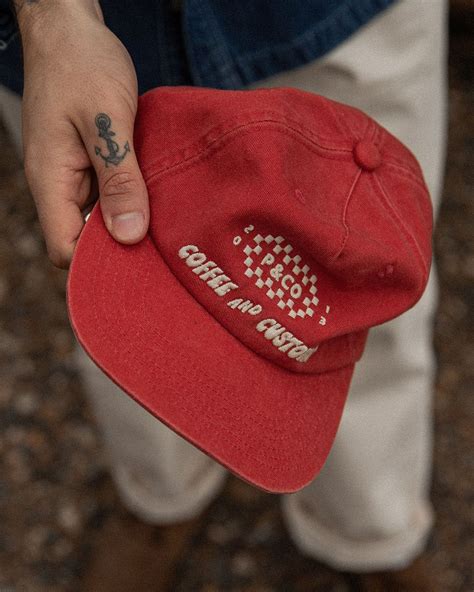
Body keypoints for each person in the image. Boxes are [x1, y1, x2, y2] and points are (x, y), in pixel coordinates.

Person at [0, 0, 447, 589]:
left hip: (342, 18)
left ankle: (373, 529)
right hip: (97, 31)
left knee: (368, 306)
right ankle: (161, 497)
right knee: (126, 280)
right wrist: (54, 19)